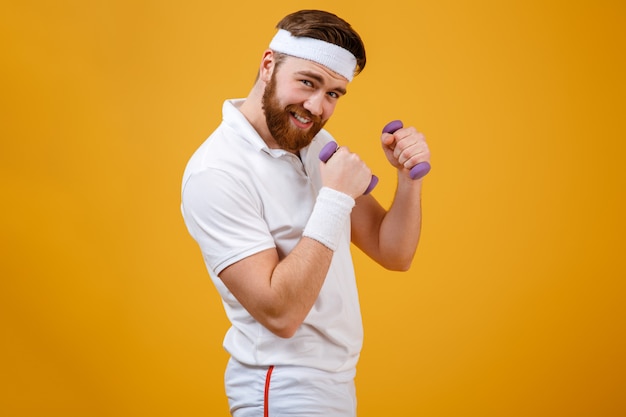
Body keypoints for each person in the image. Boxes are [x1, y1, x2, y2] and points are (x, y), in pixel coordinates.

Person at [181, 9, 430, 417]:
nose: (316, 106)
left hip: (337, 381)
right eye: (307, 82)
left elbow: (394, 253)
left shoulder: (311, 141)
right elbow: (280, 314)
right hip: (282, 388)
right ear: (268, 66)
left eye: (333, 93)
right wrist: (335, 198)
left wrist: (407, 179)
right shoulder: (217, 172)